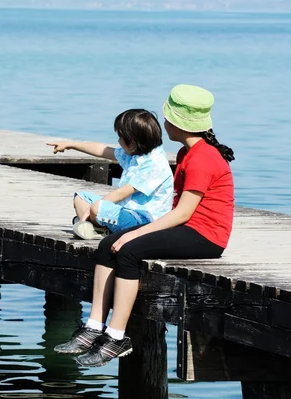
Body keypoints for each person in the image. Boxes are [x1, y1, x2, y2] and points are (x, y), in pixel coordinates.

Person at [54, 84, 235, 367]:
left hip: (205, 236)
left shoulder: (203, 158)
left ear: (177, 123)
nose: (164, 123)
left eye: (167, 118)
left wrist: (134, 234)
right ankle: (93, 327)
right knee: (106, 245)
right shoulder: (190, 153)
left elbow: (183, 214)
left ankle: (116, 336)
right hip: (187, 228)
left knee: (128, 251)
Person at [47, 109, 173, 240]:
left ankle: (92, 226)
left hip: (143, 222)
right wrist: (71, 144)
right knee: (81, 197)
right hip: (124, 212)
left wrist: (88, 212)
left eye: (120, 137)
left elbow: (121, 193)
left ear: (133, 142)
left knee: (97, 207)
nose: (118, 141)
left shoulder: (154, 164)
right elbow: (102, 150)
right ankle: (97, 229)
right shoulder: (135, 153)